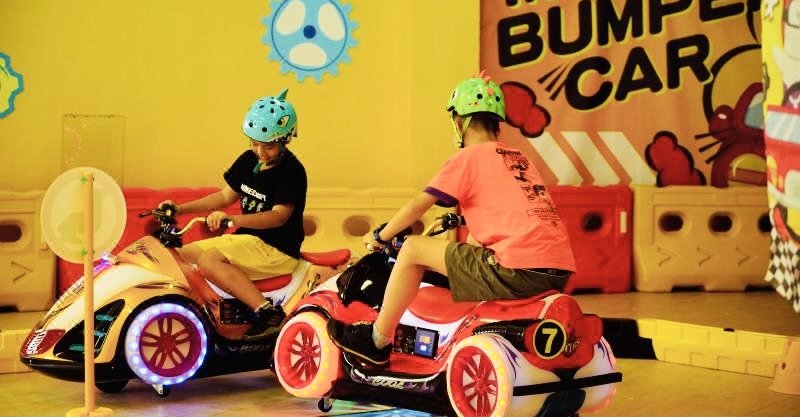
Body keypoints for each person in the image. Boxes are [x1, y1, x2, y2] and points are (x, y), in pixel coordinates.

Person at [328, 72, 576, 367]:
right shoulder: (519, 159)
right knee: (468, 248)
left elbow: (418, 205)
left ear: (460, 123)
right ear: (497, 124)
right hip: (558, 271)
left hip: (516, 270)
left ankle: (376, 340)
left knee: (412, 249)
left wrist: (380, 236)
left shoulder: (467, 158)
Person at [162, 89, 307, 340]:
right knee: (177, 256)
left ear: (285, 140)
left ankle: (267, 312)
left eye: (269, 146)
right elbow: (224, 197)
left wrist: (233, 220)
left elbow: (278, 216)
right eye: (254, 143)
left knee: (208, 260)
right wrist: (180, 209)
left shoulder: (292, 171)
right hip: (246, 239)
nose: (260, 152)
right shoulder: (249, 160)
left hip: (276, 248)